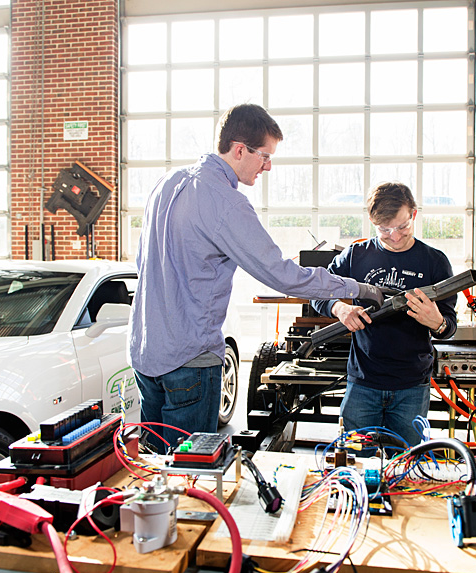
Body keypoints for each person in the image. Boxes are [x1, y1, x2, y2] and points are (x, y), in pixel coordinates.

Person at [129, 104, 384, 444]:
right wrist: (356, 288)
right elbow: (282, 276)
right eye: (264, 155)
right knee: (189, 472)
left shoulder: (167, 182)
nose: (268, 165)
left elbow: (145, 260)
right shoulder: (226, 203)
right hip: (188, 360)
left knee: (155, 469)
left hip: (146, 352)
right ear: (239, 149)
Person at [311, 182, 457, 449]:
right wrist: (340, 308)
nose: (395, 236)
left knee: (407, 470)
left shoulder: (434, 262)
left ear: (413, 214)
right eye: (384, 230)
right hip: (363, 383)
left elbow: (449, 327)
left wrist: (436, 322)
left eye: (402, 227)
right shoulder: (356, 256)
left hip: (412, 386)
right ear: (372, 221)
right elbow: (316, 293)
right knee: (353, 466)